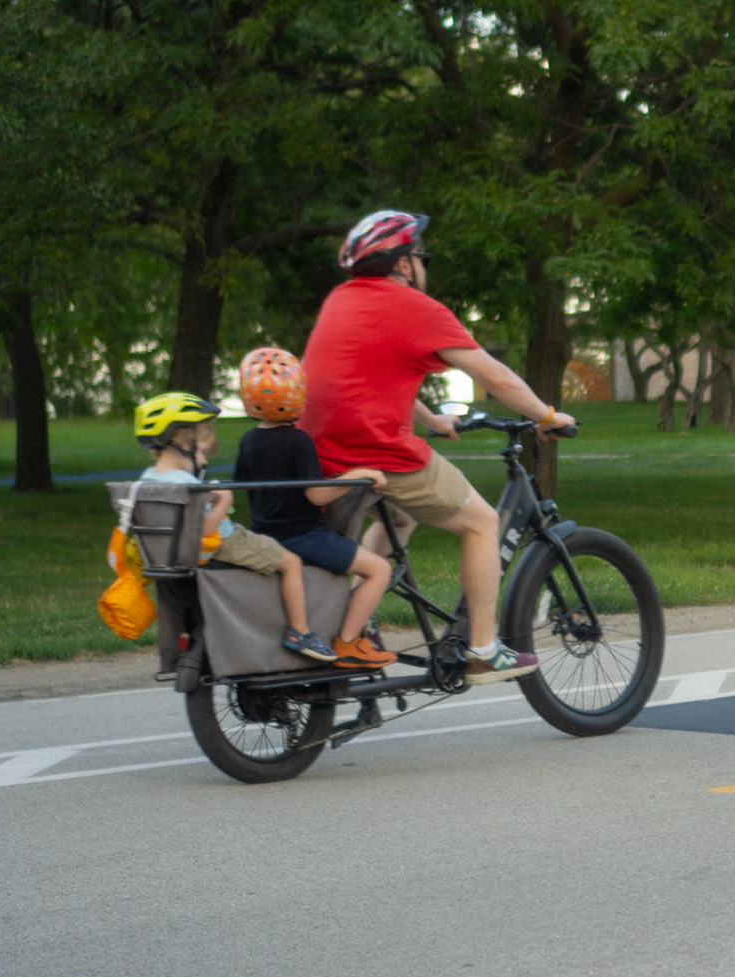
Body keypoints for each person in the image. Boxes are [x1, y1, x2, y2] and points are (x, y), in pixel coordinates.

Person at [297, 210, 576, 685]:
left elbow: (363, 375)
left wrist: (428, 418)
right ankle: (483, 649)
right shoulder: (417, 308)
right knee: (482, 522)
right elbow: (494, 376)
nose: (424, 265)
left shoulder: (341, 300)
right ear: (404, 264)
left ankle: (359, 620)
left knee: (401, 516)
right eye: (421, 256)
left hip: (319, 454)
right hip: (375, 452)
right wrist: (546, 416)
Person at [132, 392, 336, 664]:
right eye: (201, 451)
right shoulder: (187, 484)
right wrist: (224, 498)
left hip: (175, 551)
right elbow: (205, 529)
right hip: (225, 543)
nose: (203, 460)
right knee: (290, 562)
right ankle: (300, 631)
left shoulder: (146, 480)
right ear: (183, 442)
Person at [232, 347, 399, 670]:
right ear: (297, 392)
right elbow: (316, 497)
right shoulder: (298, 441)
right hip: (304, 538)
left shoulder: (248, 441)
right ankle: (349, 642)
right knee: (380, 570)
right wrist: (357, 476)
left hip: (266, 535)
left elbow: (244, 487)